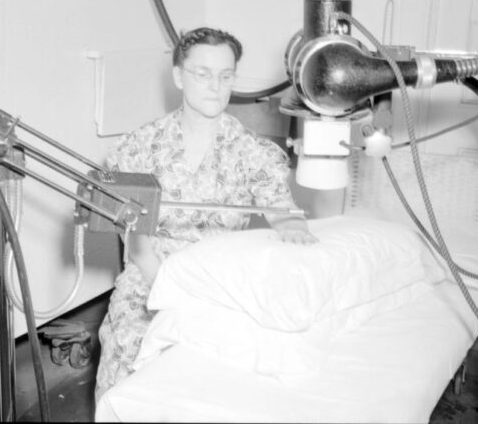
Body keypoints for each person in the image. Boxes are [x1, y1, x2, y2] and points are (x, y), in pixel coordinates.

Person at [94, 26, 317, 402]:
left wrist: (296, 229)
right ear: (179, 76)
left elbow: (283, 211)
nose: (215, 85)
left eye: (225, 75)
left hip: (221, 284)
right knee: (130, 357)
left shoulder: (253, 152)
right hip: (151, 280)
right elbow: (138, 249)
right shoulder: (138, 147)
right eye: (202, 74)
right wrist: (173, 292)